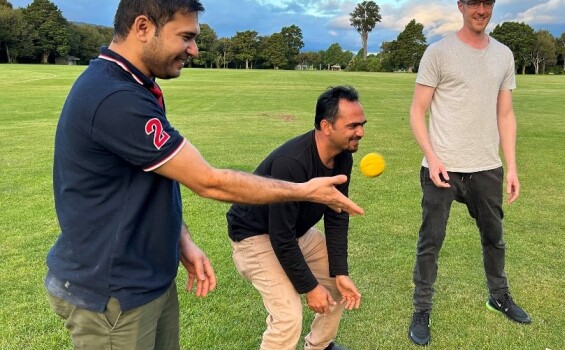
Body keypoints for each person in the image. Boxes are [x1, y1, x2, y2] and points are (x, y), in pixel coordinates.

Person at [46, 1, 363, 349]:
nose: (194, 49)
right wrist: (304, 191)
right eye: (186, 36)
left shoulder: (137, 86)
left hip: (148, 278)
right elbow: (207, 180)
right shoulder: (115, 96)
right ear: (142, 27)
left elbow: (154, 177)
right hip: (112, 292)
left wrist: (181, 239)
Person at [407, 0, 531, 345]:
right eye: (474, 2)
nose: (481, 9)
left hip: (486, 167)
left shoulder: (503, 55)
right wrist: (432, 157)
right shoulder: (438, 53)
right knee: (430, 242)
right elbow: (417, 112)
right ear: (460, 5)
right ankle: (421, 309)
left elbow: (505, 114)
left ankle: (499, 296)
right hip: (441, 169)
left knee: (495, 238)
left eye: (487, 2)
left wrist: (512, 167)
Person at [226, 86, 365, 350]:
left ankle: (320, 346)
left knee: (337, 286)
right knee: (288, 316)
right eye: (353, 126)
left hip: (295, 234)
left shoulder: (343, 156)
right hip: (255, 237)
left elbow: (336, 215)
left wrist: (340, 271)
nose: (361, 132)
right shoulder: (291, 162)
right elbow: (280, 237)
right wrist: (310, 288)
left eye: (362, 124)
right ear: (326, 126)